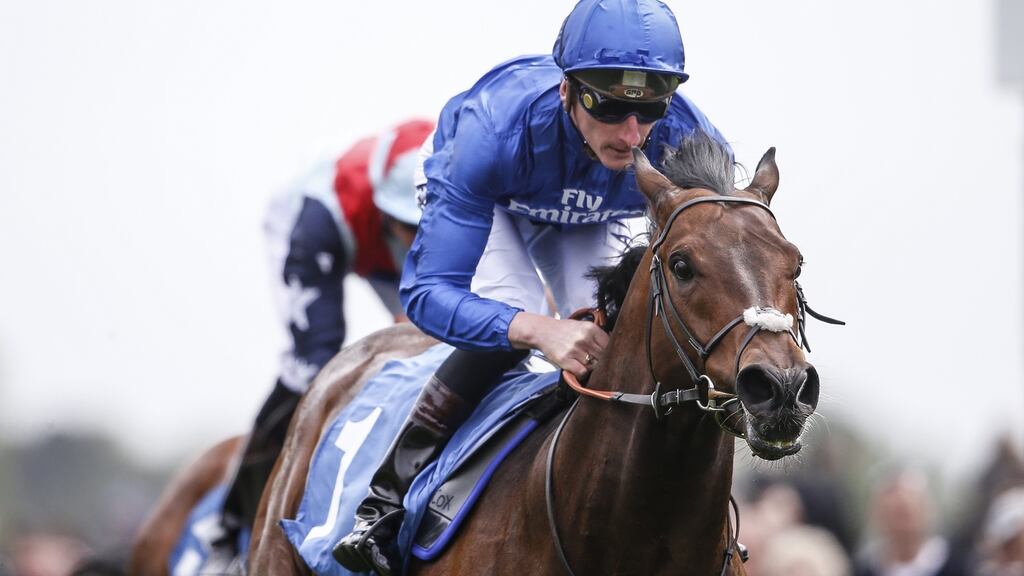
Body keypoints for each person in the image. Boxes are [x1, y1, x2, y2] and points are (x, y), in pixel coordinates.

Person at [331, 1, 727, 574]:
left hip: (587, 215)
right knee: (510, 319)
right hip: (492, 198)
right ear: (568, 91)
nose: (633, 133)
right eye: (611, 106)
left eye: (651, 109)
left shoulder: (689, 138)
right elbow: (426, 295)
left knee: (607, 338)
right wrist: (537, 329)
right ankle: (386, 499)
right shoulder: (491, 135)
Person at [204, 118, 435, 566]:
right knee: (311, 365)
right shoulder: (319, 216)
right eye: (409, 227)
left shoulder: (450, 175)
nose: (417, 239)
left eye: (424, 226)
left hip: (373, 221)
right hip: (319, 223)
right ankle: (229, 523)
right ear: (388, 213)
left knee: (435, 347)